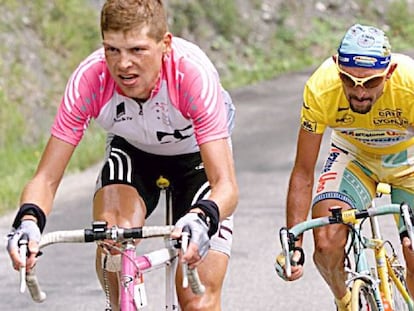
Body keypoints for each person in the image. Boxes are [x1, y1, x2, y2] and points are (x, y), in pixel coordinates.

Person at [6, 0, 238, 310]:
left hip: (197, 155)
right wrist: (28, 221)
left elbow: (226, 186)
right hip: (133, 151)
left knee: (197, 300)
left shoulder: (191, 75)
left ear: (165, 44)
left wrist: (202, 216)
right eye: (112, 50)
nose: (123, 64)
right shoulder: (91, 79)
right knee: (115, 239)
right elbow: (46, 178)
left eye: (137, 50)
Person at [275, 23, 414, 310]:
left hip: (408, 161)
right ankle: (345, 300)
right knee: (325, 242)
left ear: (388, 74)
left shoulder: (409, 84)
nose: (360, 92)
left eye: (371, 82)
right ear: (337, 68)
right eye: (349, 81)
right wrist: (295, 244)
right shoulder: (321, 87)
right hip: (354, 158)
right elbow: (303, 170)